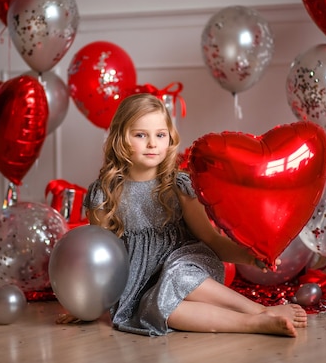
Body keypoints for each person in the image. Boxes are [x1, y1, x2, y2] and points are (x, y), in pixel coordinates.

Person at [57, 93, 307, 337]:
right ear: (120, 139)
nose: (153, 143)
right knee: (160, 310)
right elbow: (98, 262)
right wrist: (85, 306)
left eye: (160, 135)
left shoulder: (178, 186)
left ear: (170, 138)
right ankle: (254, 324)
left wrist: (248, 257)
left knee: (179, 275)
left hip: (189, 267)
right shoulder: (105, 194)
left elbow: (211, 240)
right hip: (142, 287)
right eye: (141, 135)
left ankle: (261, 310)